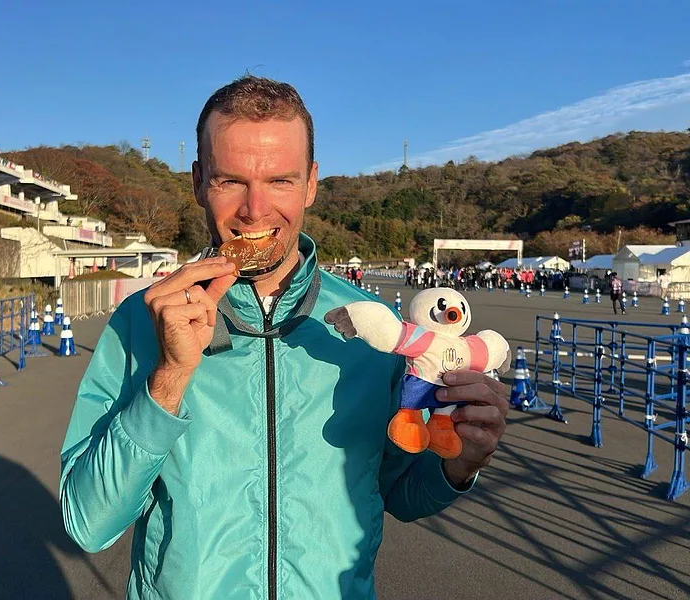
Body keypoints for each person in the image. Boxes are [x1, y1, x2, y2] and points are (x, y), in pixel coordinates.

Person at [59, 76, 509, 600]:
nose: (255, 209)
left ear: (311, 183)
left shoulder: (374, 329)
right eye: (230, 181)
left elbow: (400, 493)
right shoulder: (141, 320)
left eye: (280, 180)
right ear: (198, 181)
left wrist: (458, 466)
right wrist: (170, 378)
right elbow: (89, 523)